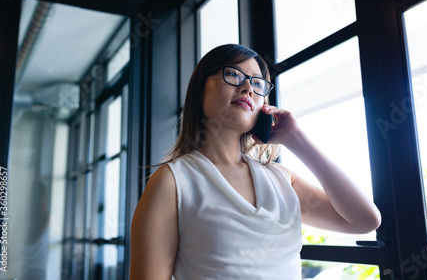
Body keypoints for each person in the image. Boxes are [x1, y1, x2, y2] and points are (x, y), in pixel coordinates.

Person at [130, 44, 381, 279]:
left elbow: (365, 220)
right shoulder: (173, 181)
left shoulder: (282, 179)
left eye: (258, 83)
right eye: (234, 75)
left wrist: (296, 140)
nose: (248, 88)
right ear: (198, 91)